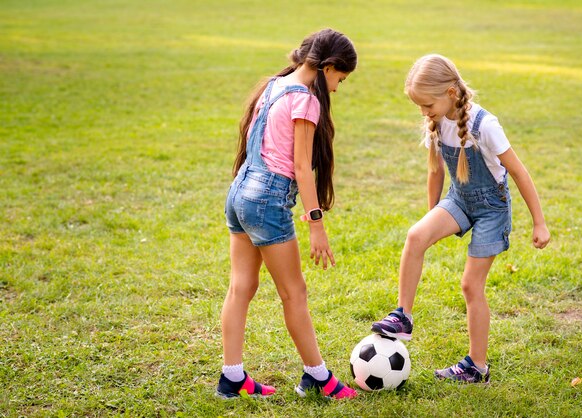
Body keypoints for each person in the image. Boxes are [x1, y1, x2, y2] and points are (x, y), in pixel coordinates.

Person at [371, 54, 550, 383]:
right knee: (415, 236)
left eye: (427, 105)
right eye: (420, 107)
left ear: (451, 92)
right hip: (459, 199)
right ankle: (403, 317)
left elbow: (520, 173)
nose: (424, 113)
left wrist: (539, 221)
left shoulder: (485, 126)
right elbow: (436, 170)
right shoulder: (438, 122)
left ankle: (476, 366)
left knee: (470, 286)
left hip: (491, 209)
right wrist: (431, 217)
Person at [217, 29, 358, 399]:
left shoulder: (275, 85)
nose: (338, 89)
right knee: (294, 293)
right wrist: (316, 224)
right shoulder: (307, 100)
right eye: (339, 79)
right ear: (328, 67)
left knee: (241, 287)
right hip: (266, 199)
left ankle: (231, 378)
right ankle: (319, 377)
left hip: (239, 193)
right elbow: (300, 166)